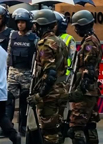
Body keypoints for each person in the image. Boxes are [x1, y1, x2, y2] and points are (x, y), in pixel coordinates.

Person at [28, 9, 69, 144]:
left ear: (41, 25)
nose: (33, 27)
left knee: (49, 133)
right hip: (61, 90)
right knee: (57, 129)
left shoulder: (44, 44)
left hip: (50, 94)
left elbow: (50, 74)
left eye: (35, 24)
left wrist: (39, 95)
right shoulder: (60, 41)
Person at [68, 10, 101, 144]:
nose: (75, 29)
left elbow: (89, 69)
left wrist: (79, 91)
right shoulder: (90, 40)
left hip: (85, 91)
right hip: (89, 90)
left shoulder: (89, 43)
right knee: (90, 125)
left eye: (77, 26)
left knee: (76, 128)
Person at [5, 8, 36, 137]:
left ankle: (22, 126)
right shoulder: (13, 35)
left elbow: (36, 57)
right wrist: (6, 69)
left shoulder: (33, 38)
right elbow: (9, 52)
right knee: (9, 100)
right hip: (13, 71)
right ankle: (8, 127)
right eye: (18, 22)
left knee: (24, 101)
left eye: (23, 22)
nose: (20, 24)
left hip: (27, 73)